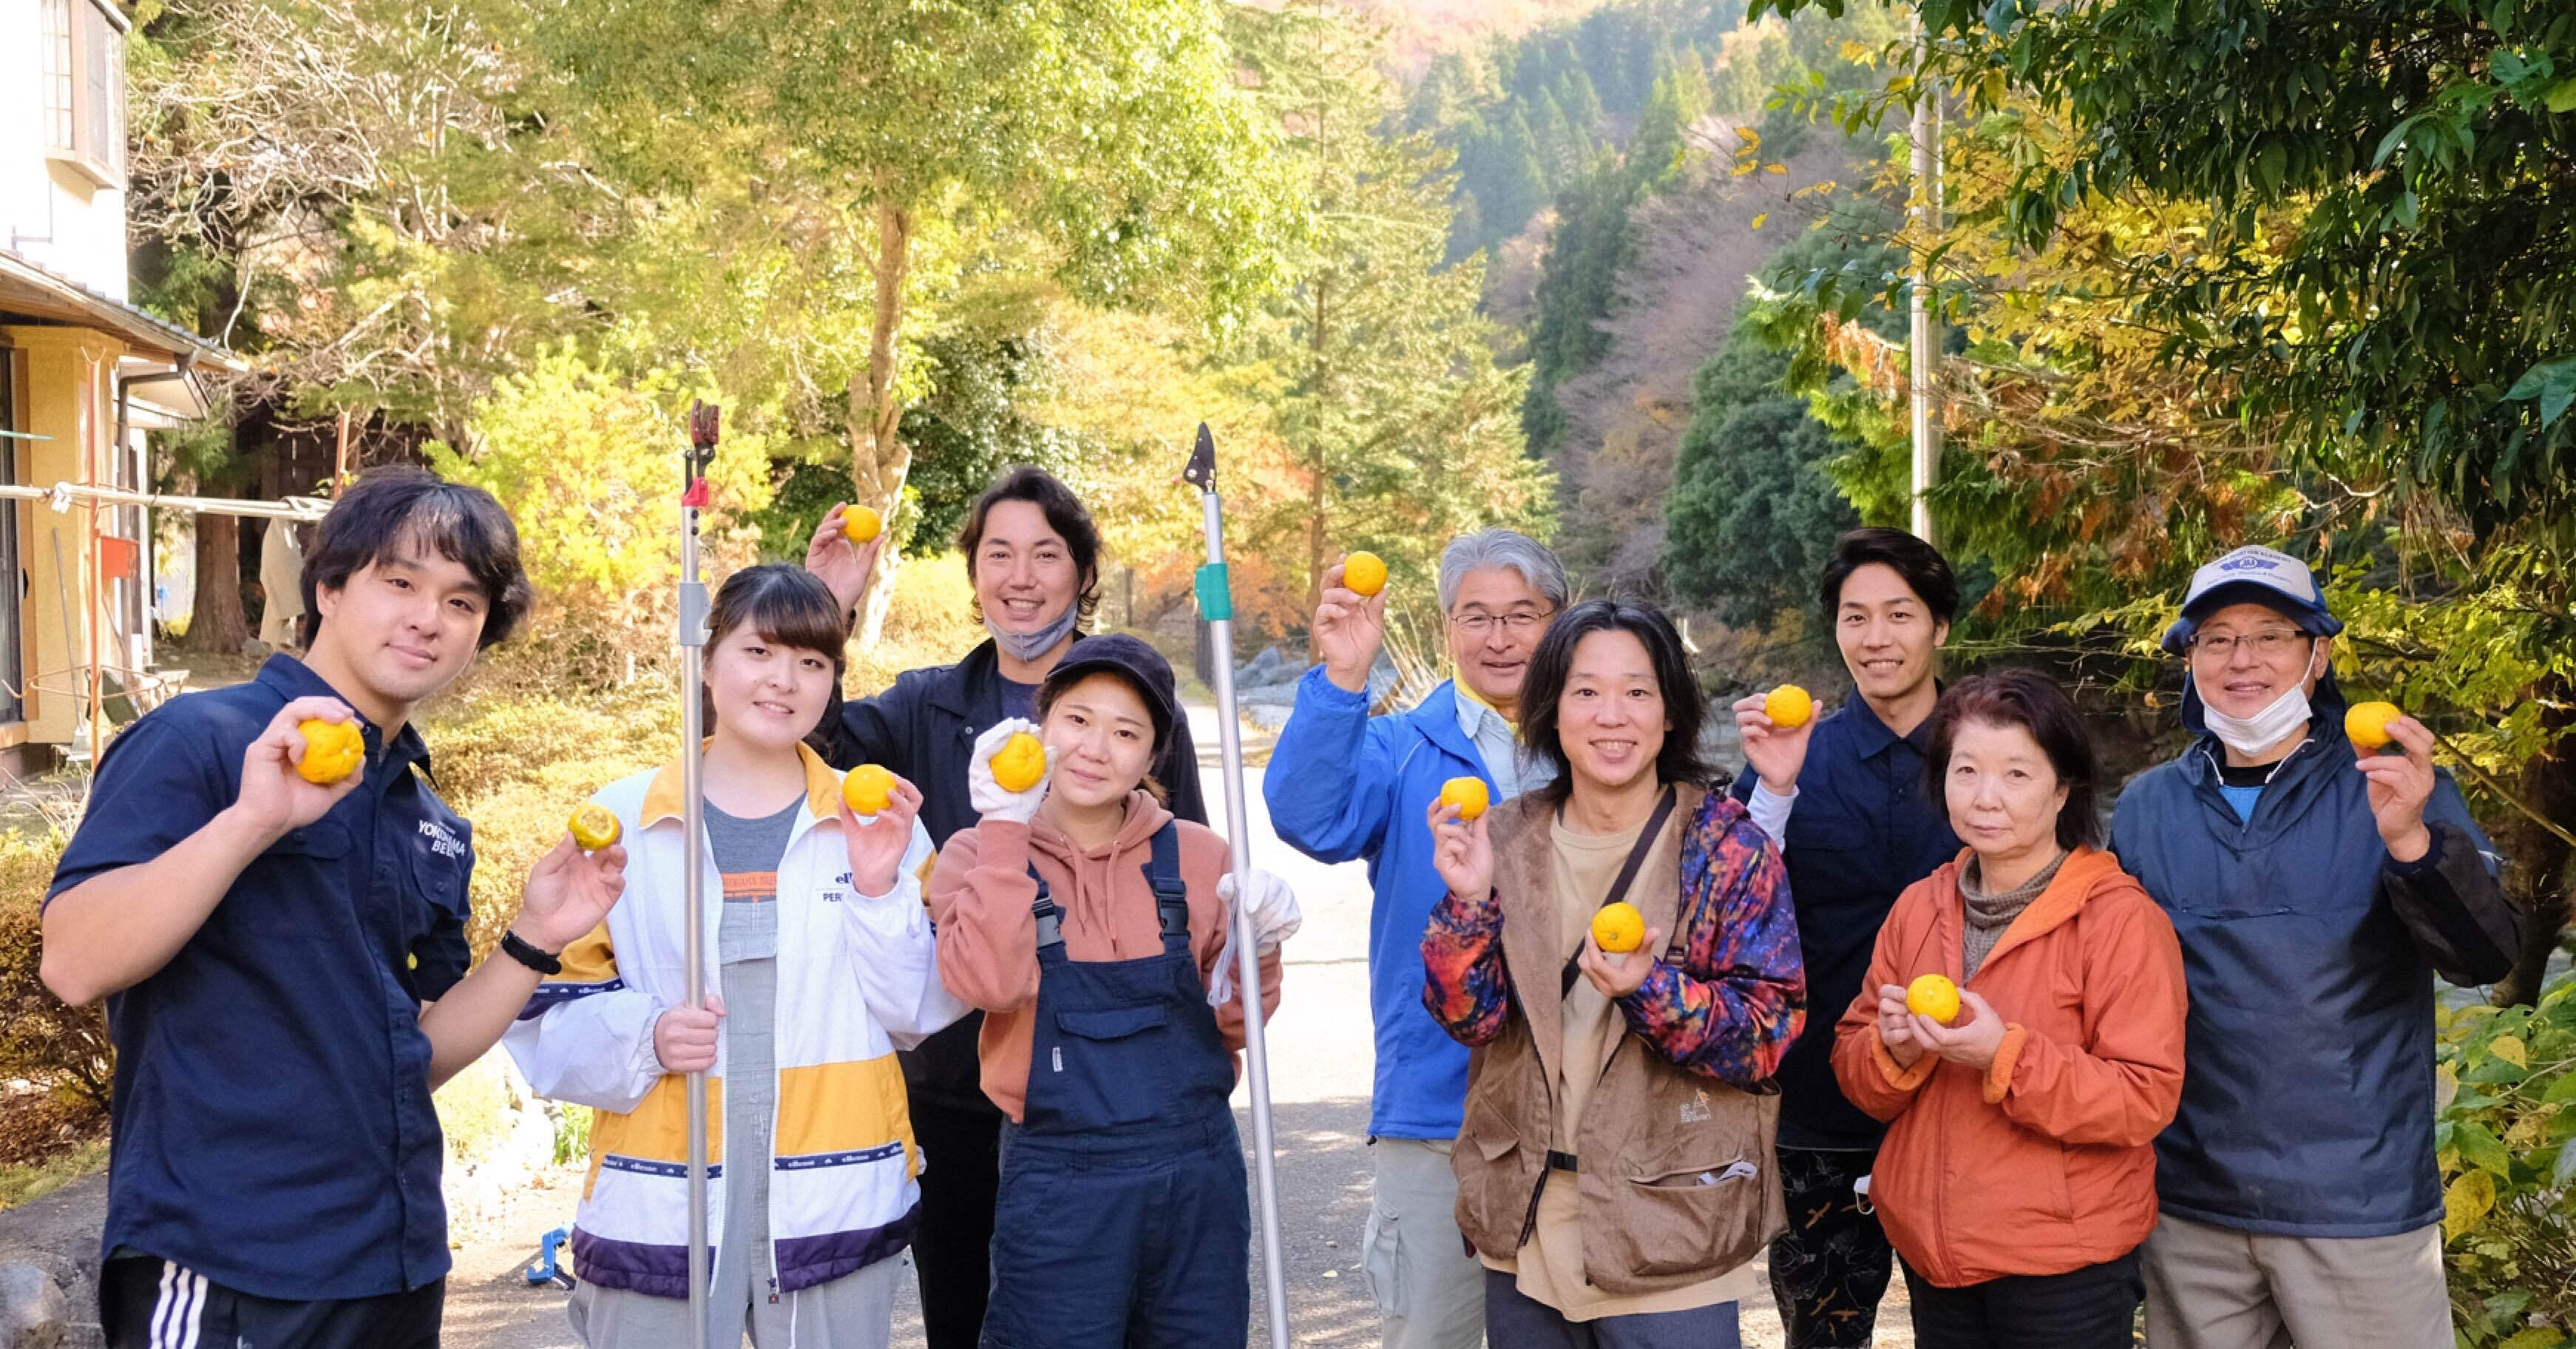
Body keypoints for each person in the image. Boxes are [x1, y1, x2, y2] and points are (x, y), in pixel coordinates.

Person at [41, 469, 623, 1348]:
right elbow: (73, 961)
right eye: (401, 583)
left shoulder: (429, 821)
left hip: (393, 1261)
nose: (429, 618)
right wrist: (248, 824)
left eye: (463, 602)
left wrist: (535, 937)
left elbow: (411, 1056)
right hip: (228, 1258)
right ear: (330, 588)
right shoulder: (204, 741)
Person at [505, 565, 967, 1347]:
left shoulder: (876, 818)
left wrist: (879, 885)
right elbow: (543, 1021)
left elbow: (917, 1013)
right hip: (661, 1213)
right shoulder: (620, 821)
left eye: (813, 663)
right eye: (759, 652)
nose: (785, 680)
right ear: (708, 660)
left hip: (836, 1204)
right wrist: (643, 1036)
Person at [801, 466, 1210, 1348]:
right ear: (974, 572)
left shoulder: (1135, 703)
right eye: (998, 554)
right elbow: (804, 740)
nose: (1020, 577)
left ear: (1082, 573)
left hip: (1115, 1092)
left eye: (1045, 554)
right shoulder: (925, 703)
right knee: (965, 1318)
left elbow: (1194, 876)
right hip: (957, 1083)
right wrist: (827, 611)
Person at [2108, 544, 2521, 1349]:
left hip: (2358, 1206)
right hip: (2190, 1206)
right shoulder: (2146, 808)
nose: (2241, 660)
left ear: (2318, 654)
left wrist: (2412, 846)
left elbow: (2482, 958)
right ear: (2188, 660)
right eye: (2215, 639)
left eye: (2271, 634)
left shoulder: (2396, 785)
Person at [1422, 598, 1805, 1348]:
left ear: (1669, 714)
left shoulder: (1723, 847)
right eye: (1586, 692)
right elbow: (1470, 1021)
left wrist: (1648, 991)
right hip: (1525, 1223)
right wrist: (1466, 907)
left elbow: (1769, 1033)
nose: (1611, 716)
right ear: (1553, 712)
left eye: (1637, 692)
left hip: (1667, 1230)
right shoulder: (1504, 836)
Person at [923, 635, 1298, 1348]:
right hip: (1061, 1185)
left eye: (1127, 732)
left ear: (1153, 754)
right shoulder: (978, 853)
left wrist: (1264, 947)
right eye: (1077, 720)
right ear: (1041, 726)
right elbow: (989, 985)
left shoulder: (1199, 855)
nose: (1097, 748)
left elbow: (1235, 1025)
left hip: (1197, 1176)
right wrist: (1005, 826)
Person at [1265, 528, 1570, 1349]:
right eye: (1475, 617)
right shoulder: (1402, 750)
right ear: (1445, 629)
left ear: (1560, 621)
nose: (1498, 638)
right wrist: (1342, 677)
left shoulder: (1600, 747)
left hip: (1584, 1114)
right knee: (1429, 1334)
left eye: (1521, 615)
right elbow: (1308, 815)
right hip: (1439, 1112)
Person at [1831, 669, 2187, 1348]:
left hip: (2061, 1266)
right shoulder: (1920, 907)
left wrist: (2004, 1057)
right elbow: (1857, 1069)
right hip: (1936, 1258)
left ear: (2063, 790)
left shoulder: (2118, 922)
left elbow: (2145, 1097)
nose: (1985, 797)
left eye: (2016, 775)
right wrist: (1896, 1051)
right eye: (1965, 770)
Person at [1728, 527, 1965, 1347]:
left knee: (1974, 1330)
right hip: (1817, 1118)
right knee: (1822, 1337)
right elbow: (1728, 915)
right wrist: (1775, 788)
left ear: (1939, 626)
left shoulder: (1996, 756)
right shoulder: (1789, 758)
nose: (1876, 637)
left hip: (1965, 1107)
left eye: (1898, 614)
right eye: (1854, 617)